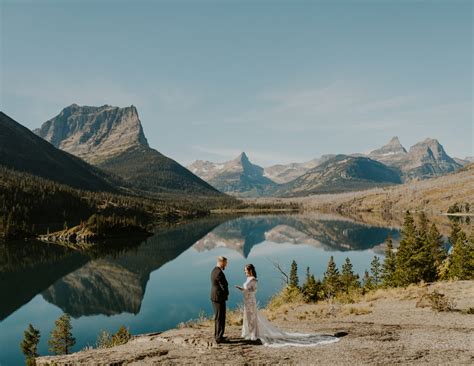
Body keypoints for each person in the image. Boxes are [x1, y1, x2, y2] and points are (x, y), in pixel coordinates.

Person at [236, 264, 340, 347]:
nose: (245, 271)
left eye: (246, 270)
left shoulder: (253, 279)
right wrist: (242, 289)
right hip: (247, 301)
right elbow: (247, 289)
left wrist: (245, 290)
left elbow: (254, 290)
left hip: (251, 301)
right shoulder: (249, 278)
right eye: (244, 270)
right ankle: (250, 333)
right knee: (249, 317)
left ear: (250, 270)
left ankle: (254, 334)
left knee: (252, 317)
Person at [210, 256, 229, 343]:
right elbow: (223, 286)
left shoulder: (214, 270)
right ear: (221, 262)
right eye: (225, 263)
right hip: (219, 297)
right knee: (220, 317)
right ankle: (219, 338)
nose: (226, 265)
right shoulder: (219, 273)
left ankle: (217, 335)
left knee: (218, 317)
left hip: (215, 296)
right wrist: (226, 293)